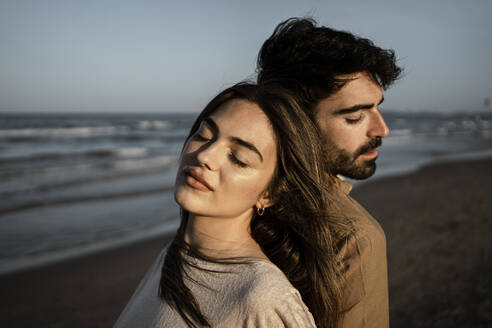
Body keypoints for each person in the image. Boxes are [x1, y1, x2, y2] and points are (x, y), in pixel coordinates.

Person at [115, 83, 354, 328]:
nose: (204, 156)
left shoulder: (264, 300)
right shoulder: (176, 253)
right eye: (203, 135)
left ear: (269, 194)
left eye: (238, 158)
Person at [256, 18, 403, 327]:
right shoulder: (355, 237)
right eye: (356, 117)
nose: (382, 129)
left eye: (377, 108)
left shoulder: (225, 202)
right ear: (296, 123)